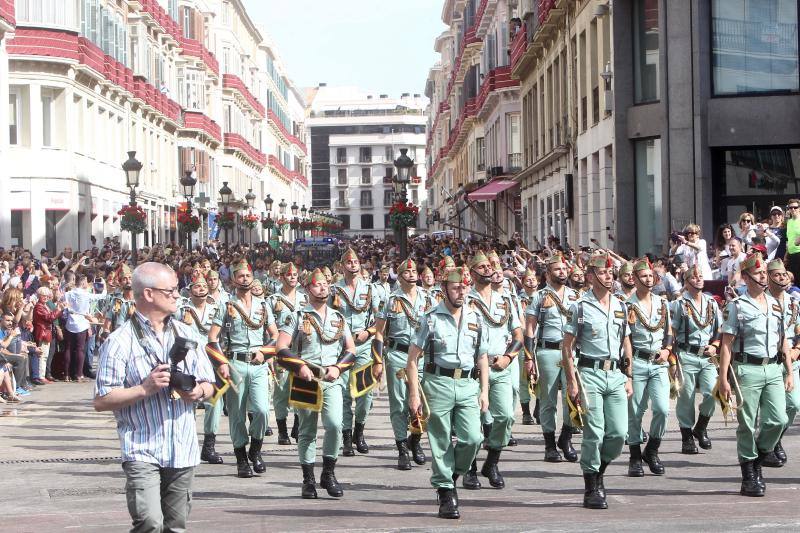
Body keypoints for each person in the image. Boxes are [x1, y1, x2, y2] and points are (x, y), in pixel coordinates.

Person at [93, 262, 215, 533]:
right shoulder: (120, 341)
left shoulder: (187, 333)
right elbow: (101, 400)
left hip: (182, 448)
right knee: (149, 523)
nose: (177, 296)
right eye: (170, 291)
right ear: (148, 294)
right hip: (142, 449)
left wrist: (198, 391)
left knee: (175, 527)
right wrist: (144, 389)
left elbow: (210, 383)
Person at [406, 266, 489, 519]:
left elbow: (483, 358)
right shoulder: (430, 318)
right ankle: (445, 493)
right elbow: (412, 360)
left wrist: (484, 391)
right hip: (437, 383)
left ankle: (451, 474)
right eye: (455, 287)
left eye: (464, 287)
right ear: (444, 290)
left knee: (473, 438)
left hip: (467, 384)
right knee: (440, 441)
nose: (461, 291)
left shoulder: (476, 318)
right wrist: (414, 395)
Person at [276, 268, 356, 499]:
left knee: (334, 425)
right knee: (307, 430)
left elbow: (350, 349)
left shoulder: (338, 317)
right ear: (307, 289)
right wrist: (299, 366)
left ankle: (329, 473)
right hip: (305, 379)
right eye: (317, 285)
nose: (323, 288)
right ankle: (308, 479)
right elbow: (281, 348)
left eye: (325, 285)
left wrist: (338, 367)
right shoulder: (297, 316)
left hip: (330, 378)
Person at [561, 252, 633, 510]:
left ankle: (599, 469)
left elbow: (626, 342)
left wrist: (629, 376)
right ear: (590, 276)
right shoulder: (579, 307)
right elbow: (567, 347)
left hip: (615, 374)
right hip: (589, 372)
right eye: (602, 272)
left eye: (610, 272)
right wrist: (572, 382)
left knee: (618, 433)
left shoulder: (621, 305)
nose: (608, 276)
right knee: (595, 431)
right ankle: (591, 484)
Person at [718, 252, 793, 497]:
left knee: (778, 419)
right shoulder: (736, 305)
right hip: (746, 369)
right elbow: (726, 344)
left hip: (773, 368)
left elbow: (783, 341)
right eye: (760, 273)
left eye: (765, 273)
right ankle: (749, 472)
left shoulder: (775, 304)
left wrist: (789, 371)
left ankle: (758, 458)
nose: (764, 277)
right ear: (747, 277)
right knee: (747, 424)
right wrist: (723, 379)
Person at [207, 258, 276, 478]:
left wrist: (265, 352)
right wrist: (223, 364)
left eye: (247, 275)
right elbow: (212, 339)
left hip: (257, 364)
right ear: (233, 280)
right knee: (236, 415)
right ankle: (241, 459)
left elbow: (275, 335)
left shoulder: (263, 305)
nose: (244, 279)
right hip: (235, 363)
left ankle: (255, 450)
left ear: (252, 277)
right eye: (240, 276)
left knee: (263, 410)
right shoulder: (226, 306)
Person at [463, 252, 522, 490]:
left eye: (489, 266)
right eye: (482, 267)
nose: (488, 270)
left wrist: (509, 357)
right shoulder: (466, 301)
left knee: (506, 416)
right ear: (472, 273)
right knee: (474, 424)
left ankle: (492, 462)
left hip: (501, 366)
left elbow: (518, 335)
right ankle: (470, 469)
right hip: (474, 369)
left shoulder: (505, 301)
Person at [372, 258, 430, 470]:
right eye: (407, 272)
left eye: (415, 271)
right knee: (398, 404)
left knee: (421, 402)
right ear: (400, 275)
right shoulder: (390, 300)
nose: (412, 274)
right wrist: (378, 361)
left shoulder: (428, 298)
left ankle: (415, 440)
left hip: (422, 357)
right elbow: (379, 332)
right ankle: (401, 448)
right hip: (397, 355)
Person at [525, 253, 579, 463]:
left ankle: (565, 437)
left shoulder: (576, 296)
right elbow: (530, 327)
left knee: (573, 396)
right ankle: (549, 444)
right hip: (548, 351)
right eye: (557, 269)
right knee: (547, 400)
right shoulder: (539, 296)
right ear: (547, 274)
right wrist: (529, 358)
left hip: (571, 352)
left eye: (564, 269)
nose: (562, 272)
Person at [330, 247, 379, 456]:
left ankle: (360, 429)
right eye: (348, 262)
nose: (353, 265)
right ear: (342, 267)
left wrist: (368, 332)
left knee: (365, 393)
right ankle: (347, 436)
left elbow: (381, 321)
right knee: (343, 395)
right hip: (341, 348)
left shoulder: (370, 289)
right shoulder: (334, 290)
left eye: (355, 262)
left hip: (364, 345)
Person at [670, 264, 721, 454]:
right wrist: (673, 360)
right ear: (686, 282)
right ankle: (686, 437)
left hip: (707, 356)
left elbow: (718, 330)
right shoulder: (679, 304)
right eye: (694, 277)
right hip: (686, 354)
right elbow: (672, 334)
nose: (699, 279)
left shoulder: (711, 303)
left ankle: (700, 427)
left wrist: (715, 345)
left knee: (712, 393)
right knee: (686, 397)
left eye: (700, 276)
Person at [175, 273, 223, 465]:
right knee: (188, 401)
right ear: (190, 289)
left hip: (211, 359)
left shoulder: (216, 309)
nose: (202, 289)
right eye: (197, 286)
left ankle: (209, 445)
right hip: (188, 360)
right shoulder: (182, 310)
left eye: (204, 286)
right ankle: (188, 442)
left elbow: (222, 334)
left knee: (214, 402)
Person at [269, 262, 309, 445]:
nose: (293, 277)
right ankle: (282, 430)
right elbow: (268, 329)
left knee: (301, 388)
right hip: (282, 351)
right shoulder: (273, 300)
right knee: (282, 391)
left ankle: (298, 425)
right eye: (289, 274)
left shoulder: (305, 299)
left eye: (295, 275)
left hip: (301, 350)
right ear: (282, 277)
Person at [763, 259, 798, 467]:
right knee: (770, 412)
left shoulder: (795, 302)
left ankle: (775, 440)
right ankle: (768, 445)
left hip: (792, 361)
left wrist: (797, 350)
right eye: (776, 274)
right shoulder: (761, 300)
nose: (782, 277)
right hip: (770, 361)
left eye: (784, 274)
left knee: (793, 404)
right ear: (767, 278)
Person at [62, 274, 105, 381]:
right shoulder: (86, 294)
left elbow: (63, 303)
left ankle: (67, 374)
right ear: (82, 283)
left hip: (70, 322)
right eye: (85, 281)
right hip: (81, 323)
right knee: (80, 350)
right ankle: (79, 375)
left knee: (68, 349)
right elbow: (102, 295)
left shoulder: (68, 293)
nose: (87, 283)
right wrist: (104, 285)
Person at [785, 199, 800, 283]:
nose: (793, 209)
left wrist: (798, 241)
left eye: (795, 207)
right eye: (791, 208)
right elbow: (789, 240)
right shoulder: (789, 222)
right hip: (791, 255)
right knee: (794, 280)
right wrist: (786, 255)